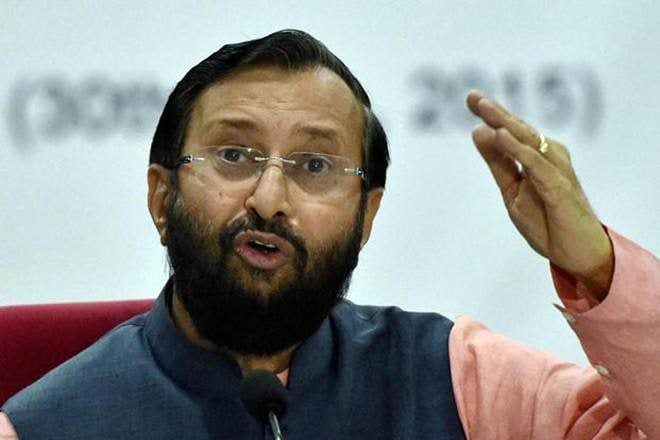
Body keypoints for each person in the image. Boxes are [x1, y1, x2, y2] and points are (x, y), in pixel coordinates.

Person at [1, 29, 658, 439]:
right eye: (234, 155)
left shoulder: (461, 382)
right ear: (161, 196)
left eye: (315, 165)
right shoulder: (44, 426)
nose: (268, 198)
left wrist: (598, 269)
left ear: (367, 216)